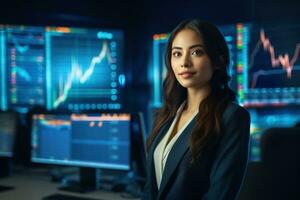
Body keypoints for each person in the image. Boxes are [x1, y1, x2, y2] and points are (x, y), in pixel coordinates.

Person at [142, 18, 250, 200]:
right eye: (177, 54)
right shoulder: (166, 115)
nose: (184, 62)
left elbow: (220, 194)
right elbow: (150, 188)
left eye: (196, 52)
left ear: (217, 60)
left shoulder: (232, 117)